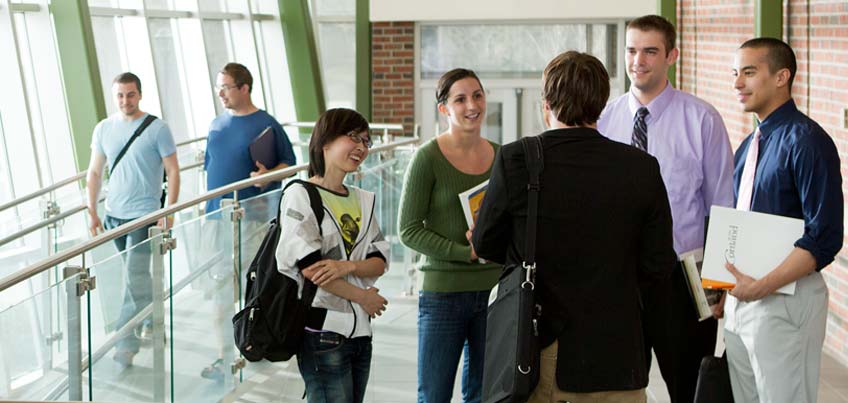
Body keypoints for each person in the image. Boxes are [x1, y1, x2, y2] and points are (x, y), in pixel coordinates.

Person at [472, 50, 677, 403]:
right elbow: (659, 265)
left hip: (546, 352)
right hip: (620, 354)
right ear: (601, 103)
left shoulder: (517, 158)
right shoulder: (641, 167)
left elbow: (486, 243)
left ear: (546, 101)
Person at [596, 15, 735, 402]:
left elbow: (723, 206)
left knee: (690, 387)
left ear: (672, 55)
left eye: (650, 51)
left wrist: (720, 281)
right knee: (618, 391)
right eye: (631, 50)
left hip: (683, 280)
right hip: (619, 280)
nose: (638, 60)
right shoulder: (603, 120)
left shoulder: (702, 120)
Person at [723, 37, 843, 403]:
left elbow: (824, 236)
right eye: (734, 74)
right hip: (741, 301)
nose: (737, 83)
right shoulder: (750, 145)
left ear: (781, 77)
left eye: (749, 72)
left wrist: (762, 287)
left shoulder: (807, 141)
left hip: (784, 298)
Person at [397, 68, 501, 403]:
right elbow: (408, 230)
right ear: (444, 109)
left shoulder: (502, 157)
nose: (472, 105)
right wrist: (464, 252)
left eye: (477, 95)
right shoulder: (427, 158)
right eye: (460, 99)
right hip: (442, 295)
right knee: (434, 394)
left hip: (494, 292)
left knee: (485, 395)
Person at [275, 108, 390, 403]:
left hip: (361, 334)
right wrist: (362, 296)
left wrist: (346, 265)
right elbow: (312, 268)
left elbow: (381, 258)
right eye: (354, 138)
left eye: (367, 141)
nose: (362, 148)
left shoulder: (363, 200)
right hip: (322, 332)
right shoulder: (301, 194)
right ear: (326, 141)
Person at [200, 62, 297, 380]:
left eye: (225, 87)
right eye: (218, 87)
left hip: (251, 218)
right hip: (217, 218)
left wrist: (268, 175)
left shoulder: (267, 125)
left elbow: (290, 167)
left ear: (244, 88)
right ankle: (223, 354)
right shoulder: (216, 124)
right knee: (220, 286)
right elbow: (210, 169)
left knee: (251, 283)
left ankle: (254, 342)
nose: (220, 93)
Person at [85, 72, 180, 369]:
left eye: (130, 94)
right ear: (114, 97)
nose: (125, 101)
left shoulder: (157, 128)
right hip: (114, 216)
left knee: (133, 276)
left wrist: (169, 211)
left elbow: (174, 172)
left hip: (145, 215)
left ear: (139, 94)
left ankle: (125, 342)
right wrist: (91, 209)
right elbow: (95, 172)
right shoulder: (103, 128)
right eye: (120, 95)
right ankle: (154, 319)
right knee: (136, 275)